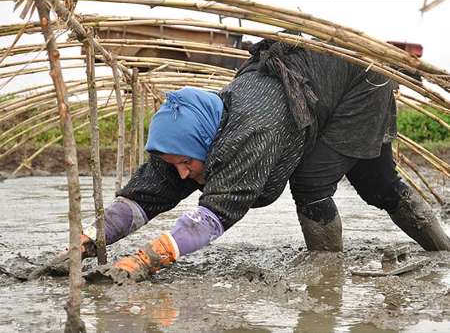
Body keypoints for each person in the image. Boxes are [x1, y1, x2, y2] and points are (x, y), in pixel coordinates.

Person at [78, 37, 450, 283]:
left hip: (360, 84)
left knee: (315, 184)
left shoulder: (252, 132)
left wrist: (143, 262)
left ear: (205, 144)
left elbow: (215, 214)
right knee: (382, 185)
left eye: (186, 162)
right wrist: (89, 240)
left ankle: (327, 275)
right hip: (324, 85)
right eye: (175, 162)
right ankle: (444, 254)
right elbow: (151, 190)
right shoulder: (198, 132)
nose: (182, 172)